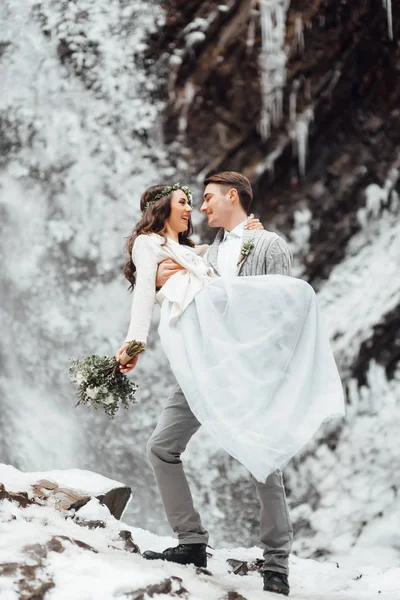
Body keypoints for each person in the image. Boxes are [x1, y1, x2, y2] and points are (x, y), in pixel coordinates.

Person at [116, 173, 344, 597]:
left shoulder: (268, 244)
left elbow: (280, 309)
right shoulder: (206, 250)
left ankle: (276, 563)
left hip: (249, 370)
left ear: (232, 197)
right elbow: (167, 272)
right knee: (162, 447)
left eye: (205, 199)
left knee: (263, 457)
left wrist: (272, 372)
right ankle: (191, 542)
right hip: (200, 368)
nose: (200, 208)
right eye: (192, 201)